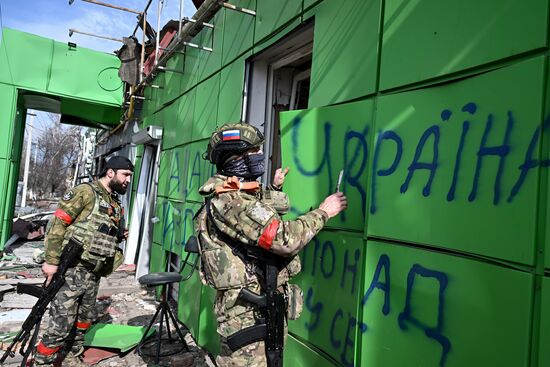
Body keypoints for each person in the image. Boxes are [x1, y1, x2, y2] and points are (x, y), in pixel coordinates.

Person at [195, 122, 347, 366]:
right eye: (254, 152)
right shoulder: (230, 201)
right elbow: (284, 239)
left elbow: (257, 213)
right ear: (235, 158)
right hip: (247, 316)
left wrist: (275, 187)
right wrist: (323, 212)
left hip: (256, 310)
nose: (260, 157)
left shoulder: (235, 195)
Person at [34, 156, 134, 366]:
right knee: (61, 324)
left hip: (93, 271)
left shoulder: (114, 201)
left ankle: (71, 357)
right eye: (125, 175)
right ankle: (43, 361)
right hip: (72, 269)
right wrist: (51, 260)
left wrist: (116, 234)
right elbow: (58, 224)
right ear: (110, 172)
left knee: (83, 321)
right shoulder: (86, 192)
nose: (127, 180)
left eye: (130, 176)